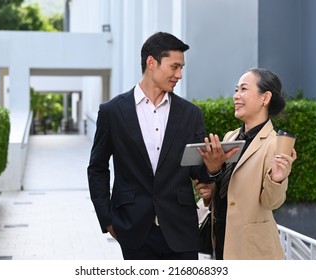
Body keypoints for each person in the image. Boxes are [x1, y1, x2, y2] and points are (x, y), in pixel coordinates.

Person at [87, 31, 239, 260]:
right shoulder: (112, 112)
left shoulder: (191, 114)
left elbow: (196, 171)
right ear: (151, 63)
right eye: (174, 67)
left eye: (181, 68)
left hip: (181, 231)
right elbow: (97, 168)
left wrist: (213, 167)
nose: (179, 75)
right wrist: (107, 218)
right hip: (133, 229)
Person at [195, 68, 297, 260]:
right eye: (236, 90)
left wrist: (277, 179)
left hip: (253, 250)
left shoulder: (274, 144)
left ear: (265, 98)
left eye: (243, 89)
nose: (236, 96)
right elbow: (229, 189)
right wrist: (210, 190)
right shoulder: (231, 137)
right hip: (222, 238)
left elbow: (271, 203)